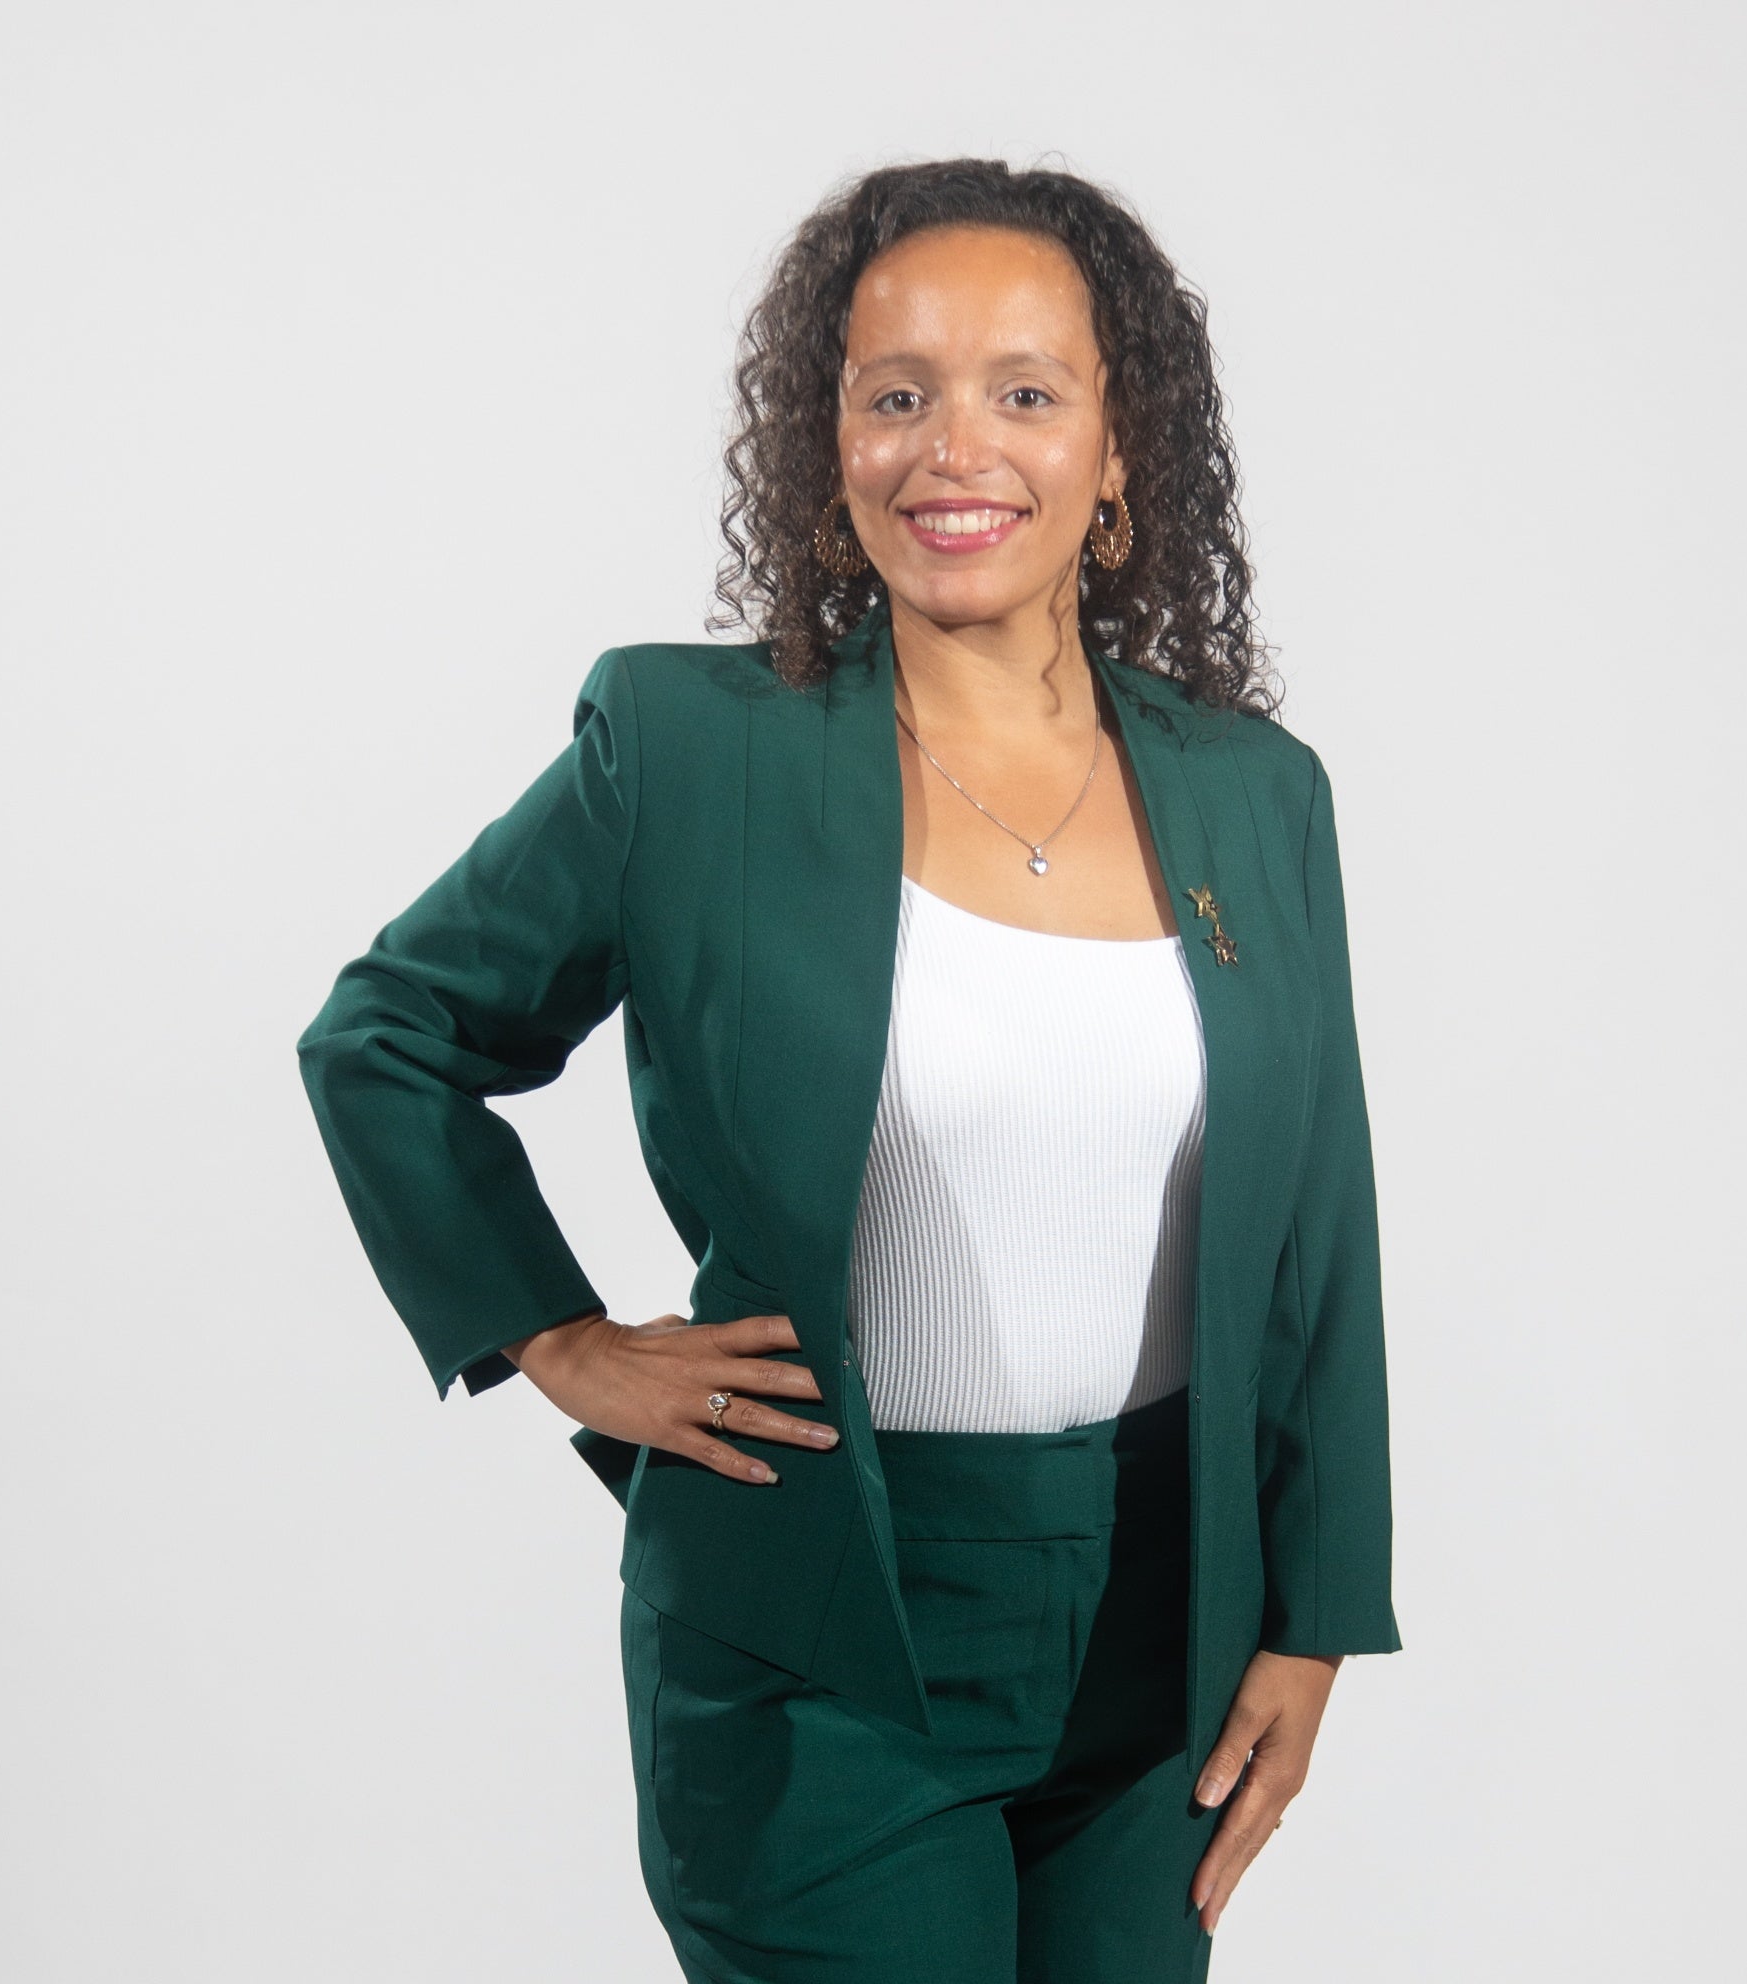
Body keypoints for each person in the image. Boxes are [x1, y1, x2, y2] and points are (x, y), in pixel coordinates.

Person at [296, 157, 1399, 1984]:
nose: (950, 448)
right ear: (829, 449)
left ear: (1121, 453)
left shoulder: (1251, 793)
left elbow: (1322, 1225)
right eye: (894, 395)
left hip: (1162, 1630)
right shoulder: (686, 750)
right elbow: (391, 1037)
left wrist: (1313, 1613)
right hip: (819, 1628)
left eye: (1024, 394)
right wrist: (561, 1342)